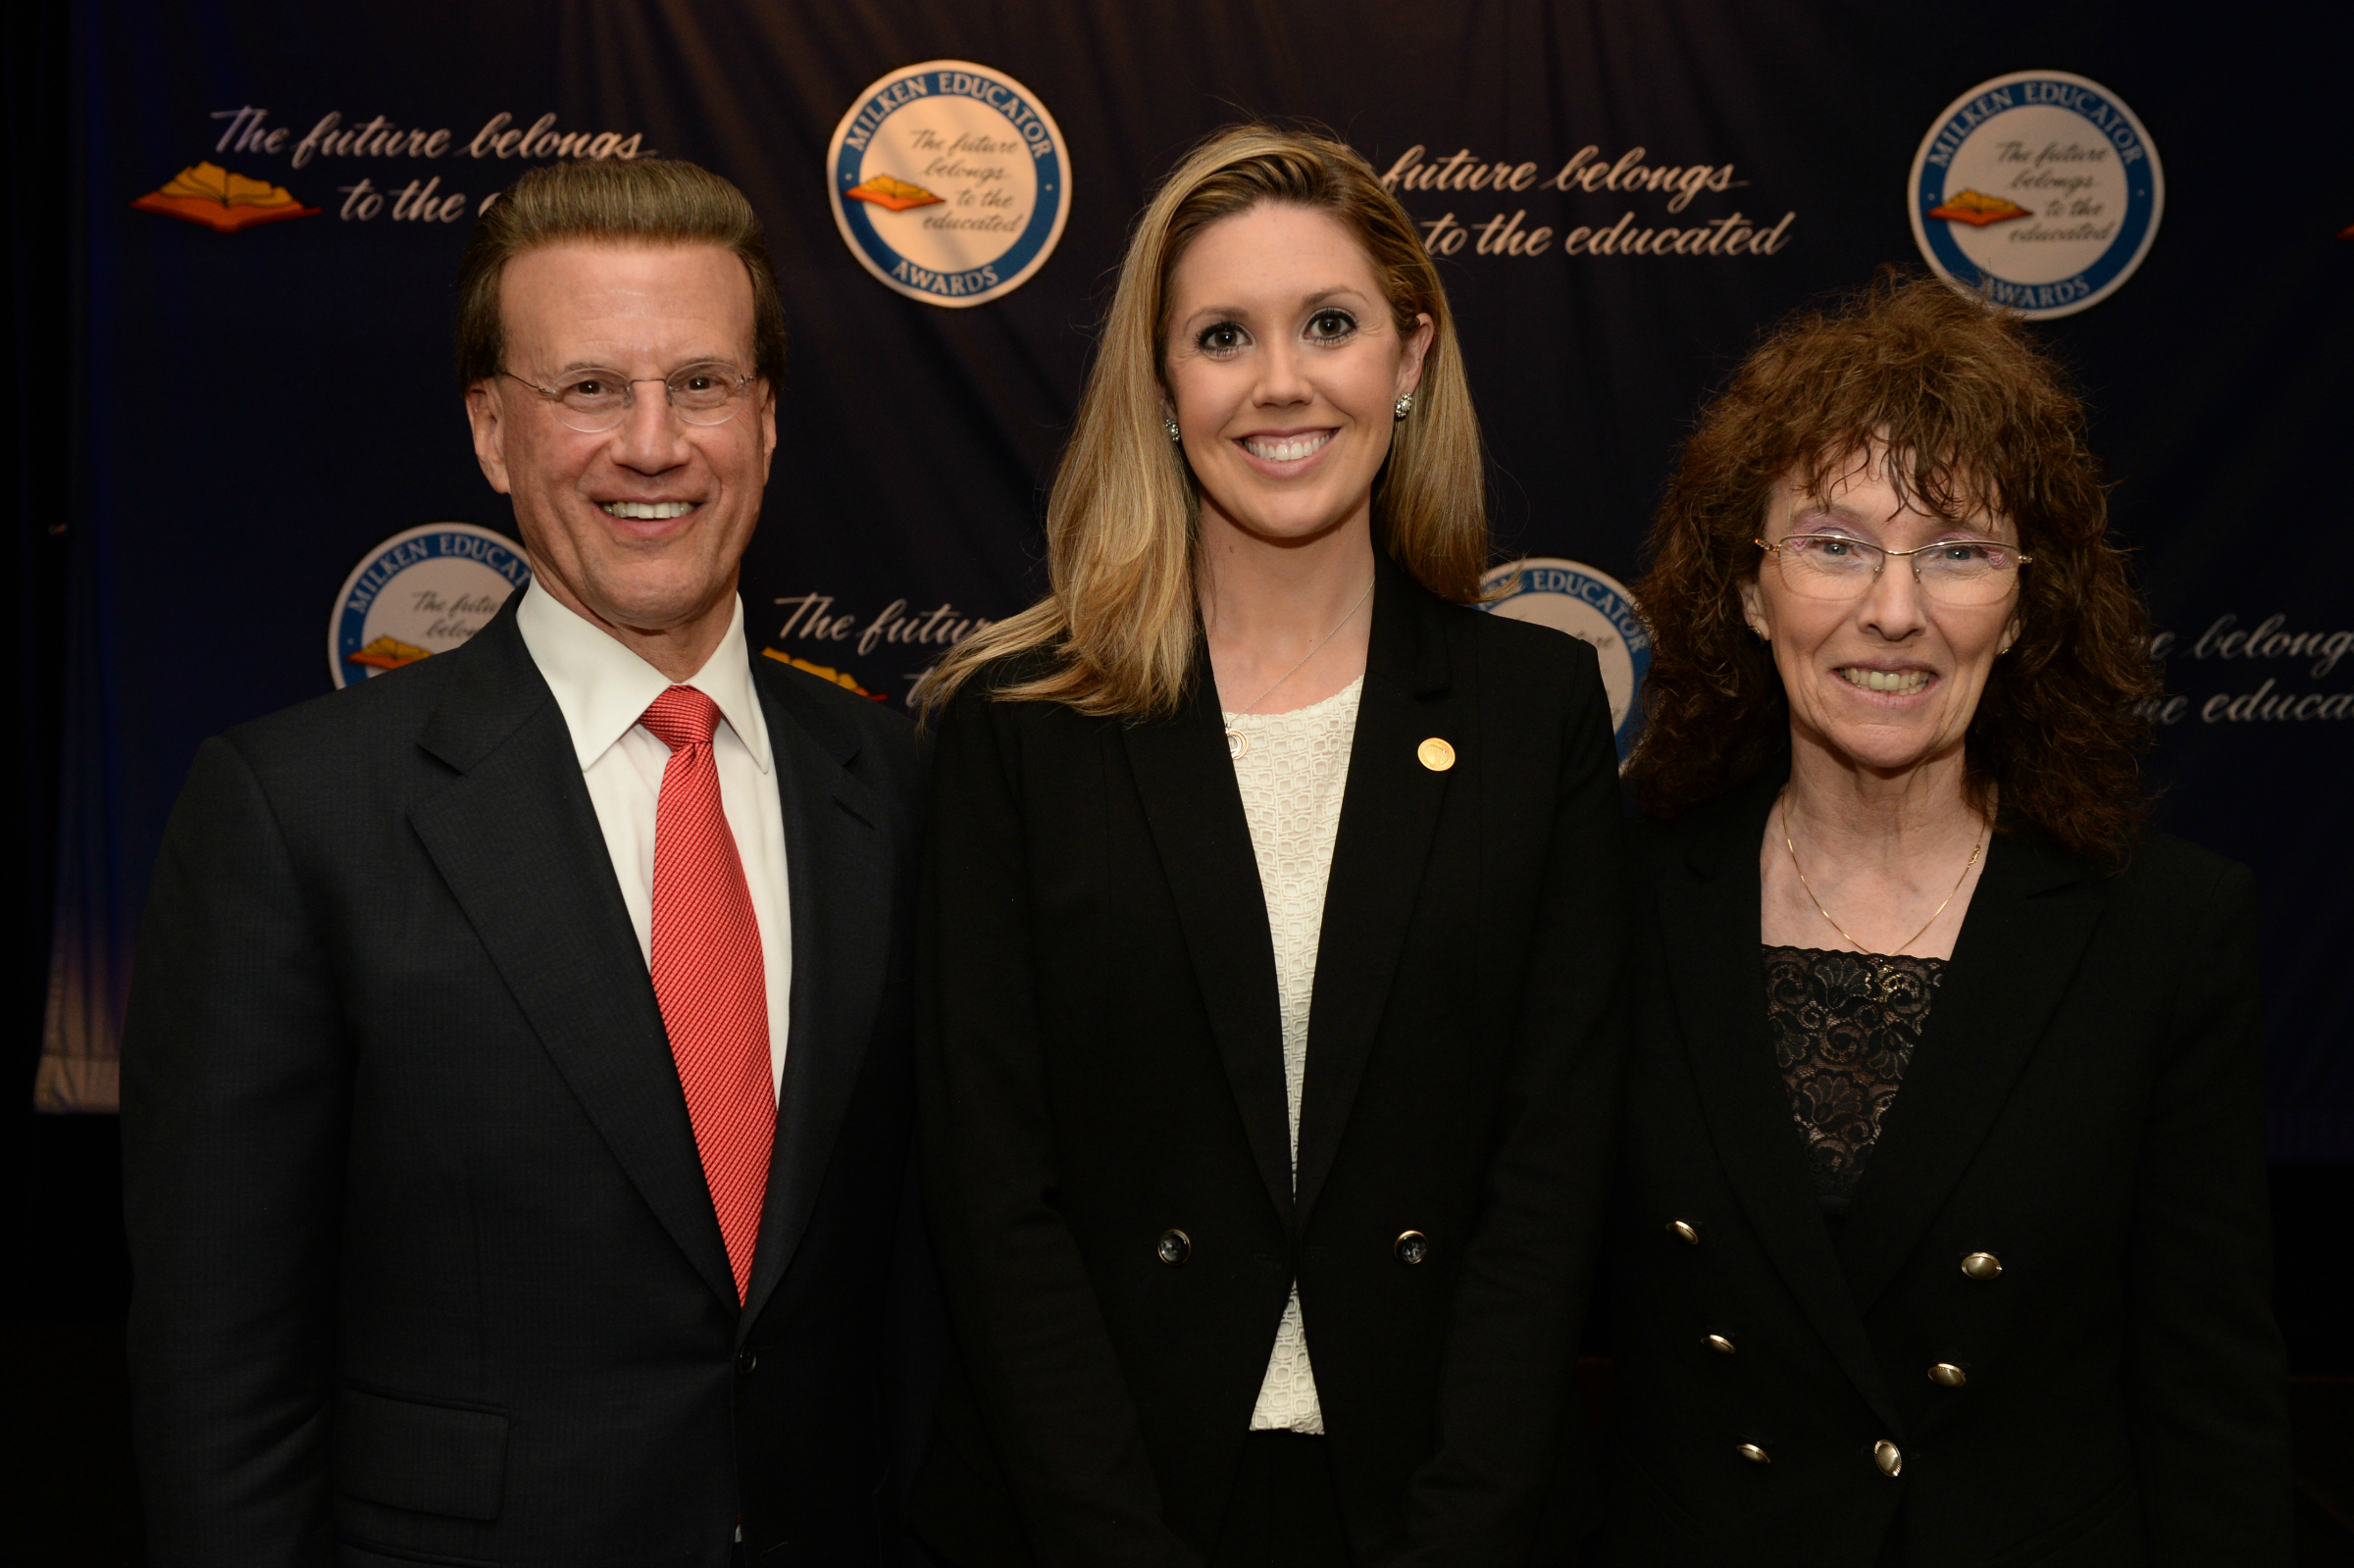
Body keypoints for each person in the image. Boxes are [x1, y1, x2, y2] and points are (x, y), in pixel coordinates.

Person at [121, 159, 934, 1567]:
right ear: (493, 430)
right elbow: (219, 1379)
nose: (653, 445)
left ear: (765, 418)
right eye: (590, 389)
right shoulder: (296, 813)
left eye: (700, 383)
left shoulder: (904, 786)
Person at [907, 125, 1627, 1568]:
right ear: (1163, 387)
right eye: (1224, 335)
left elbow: (1552, 1183)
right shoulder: (1020, 726)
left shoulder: (1533, 711)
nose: (1281, 381)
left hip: (1433, 1508)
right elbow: (990, 1197)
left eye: (1332, 325)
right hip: (1105, 1511)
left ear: (1410, 357)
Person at [1593, 276, 2291, 1565]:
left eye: (1958, 550)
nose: (1895, 610)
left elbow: (2212, 1401)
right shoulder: (1616, 906)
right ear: (1749, 590)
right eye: (1835, 543)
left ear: (2023, 607)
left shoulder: (2164, 930)